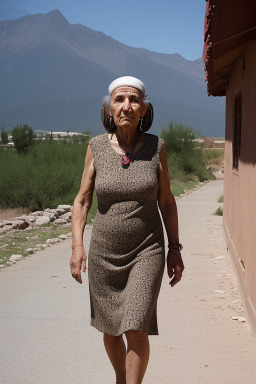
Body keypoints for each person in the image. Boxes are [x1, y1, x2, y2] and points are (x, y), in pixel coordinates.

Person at [70, 76, 184, 384]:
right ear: (108, 107)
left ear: (145, 108)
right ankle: (121, 378)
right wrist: (77, 246)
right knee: (110, 329)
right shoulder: (95, 147)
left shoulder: (156, 147)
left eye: (134, 100)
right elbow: (82, 200)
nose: (127, 106)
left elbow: (167, 202)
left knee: (135, 327)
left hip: (148, 250)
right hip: (104, 253)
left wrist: (175, 249)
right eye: (119, 99)